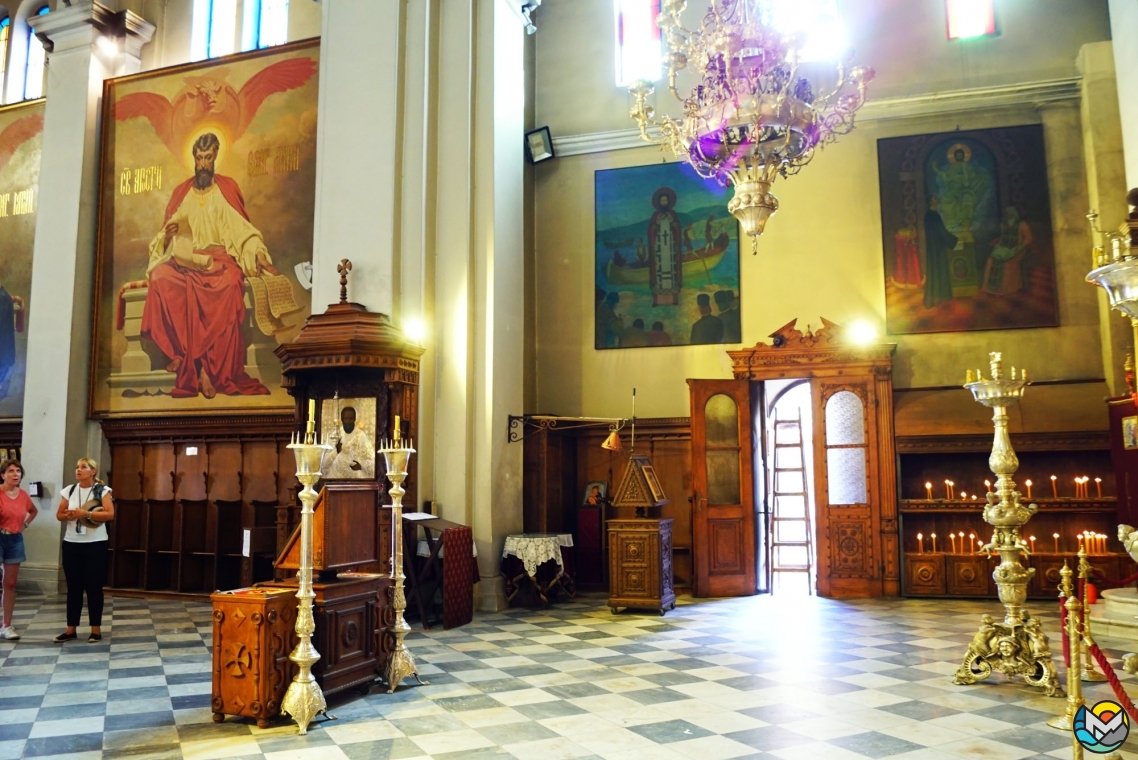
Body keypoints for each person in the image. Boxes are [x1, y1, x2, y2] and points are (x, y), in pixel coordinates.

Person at [141, 132, 278, 400]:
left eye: (208, 157)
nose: (202, 163)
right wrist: (168, 236)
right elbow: (163, 238)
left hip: (218, 259)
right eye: (199, 158)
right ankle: (185, 355)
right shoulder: (182, 194)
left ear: (215, 157)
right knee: (159, 278)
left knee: (228, 283)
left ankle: (205, 368)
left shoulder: (226, 190)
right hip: (185, 259)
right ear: (193, 158)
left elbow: (243, 232)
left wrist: (258, 253)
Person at [54, 458, 114, 643]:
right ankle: (71, 628)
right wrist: (70, 515)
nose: (78, 470)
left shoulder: (102, 491)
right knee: (74, 587)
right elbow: (59, 514)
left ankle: (95, 629)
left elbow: (110, 514)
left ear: (93, 471)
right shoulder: (70, 490)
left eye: (83, 467)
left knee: (94, 587)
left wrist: (87, 514)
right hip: (72, 543)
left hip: (95, 543)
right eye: (77, 467)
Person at [0, 460, 36, 640]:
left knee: (10, 583)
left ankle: (6, 625)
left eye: (18, 471)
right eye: (11, 471)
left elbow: (33, 511)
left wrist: (25, 525)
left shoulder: (23, 495)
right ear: (3, 475)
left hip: (14, 539)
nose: (16, 474)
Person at [982, 206, 1032, 296]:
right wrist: (998, 245)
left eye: (1010, 212)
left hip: (1017, 249)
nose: (1008, 213)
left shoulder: (1022, 225)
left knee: (1006, 263)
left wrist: (1019, 247)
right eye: (1007, 212)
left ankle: (1006, 289)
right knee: (991, 261)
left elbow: (1028, 239)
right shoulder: (1003, 225)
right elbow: (1003, 238)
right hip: (1004, 248)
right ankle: (992, 288)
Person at [923, 195, 958, 308]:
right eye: (934, 198)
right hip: (937, 248)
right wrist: (954, 239)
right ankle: (936, 299)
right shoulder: (932, 215)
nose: (937, 199)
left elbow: (939, 231)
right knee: (936, 270)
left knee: (936, 270)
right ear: (931, 201)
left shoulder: (931, 214)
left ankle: (938, 298)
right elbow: (941, 232)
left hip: (934, 247)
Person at [325, 406, 376, 479]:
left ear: (355, 419)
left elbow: (372, 462)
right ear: (342, 419)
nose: (348, 421)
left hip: (355, 479)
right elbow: (324, 464)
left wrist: (360, 465)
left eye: (351, 418)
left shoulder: (361, 436)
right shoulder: (334, 436)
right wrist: (336, 452)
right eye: (346, 418)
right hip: (336, 479)